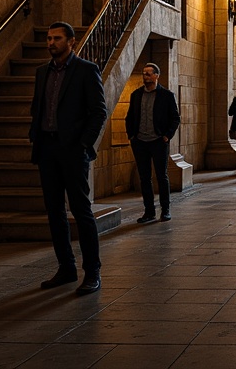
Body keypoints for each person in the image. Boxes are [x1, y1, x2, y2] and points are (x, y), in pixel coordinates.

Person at [29, 21, 107, 295]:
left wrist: (84, 145)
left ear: (71, 42)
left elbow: (99, 111)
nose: (51, 43)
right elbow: (37, 109)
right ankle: (66, 267)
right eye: (49, 38)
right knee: (54, 212)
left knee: (81, 211)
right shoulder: (42, 72)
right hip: (47, 150)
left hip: (73, 151)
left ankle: (92, 271)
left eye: (57, 38)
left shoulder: (86, 71)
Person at [125, 62, 180, 224]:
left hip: (158, 141)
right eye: (144, 73)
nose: (146, 77)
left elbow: (175, 118)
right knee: (145, 178)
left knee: (161, 176)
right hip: (140, 141)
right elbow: (130, 117)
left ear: (156, 76)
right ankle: (149, 211)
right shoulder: (136, 95)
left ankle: (165, 210)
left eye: (149, 74)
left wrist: (166, 136)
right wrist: (132, 136)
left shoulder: (166, 95)